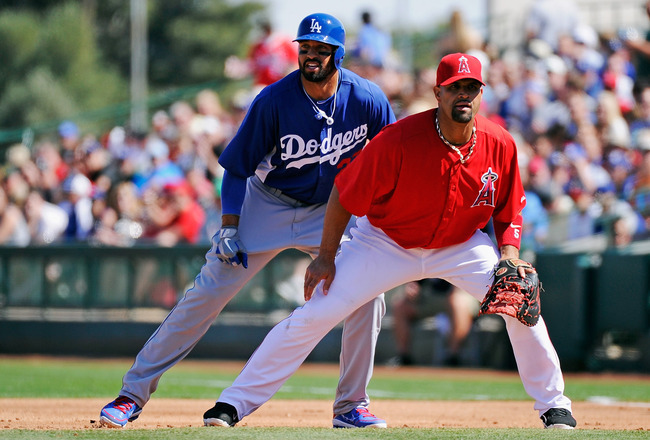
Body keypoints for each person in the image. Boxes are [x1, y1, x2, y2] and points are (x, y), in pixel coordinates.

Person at [207, 53, 577, 430]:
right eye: (455, 88)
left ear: (481, 93)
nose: (463, 95)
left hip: (461, 246)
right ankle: (233, 403)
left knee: (517, 300)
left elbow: (510, 206)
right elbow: (343, 194)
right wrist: (326, 257)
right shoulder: (399, 139)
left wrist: (510, 254)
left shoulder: (499, 143)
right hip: (385, 242)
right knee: (316, 313)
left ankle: (554, 405)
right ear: (438, 92)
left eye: (471, 88)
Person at [98, 13, 395, 429]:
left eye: (321, 49)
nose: (311, 55)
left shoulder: (367, 99)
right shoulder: (274, 100)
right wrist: (230, 226)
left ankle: (351, 406)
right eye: (305, 47)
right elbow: (237, 168)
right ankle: (132, 395)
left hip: (333, 208)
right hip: (267, 203)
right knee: (206, 294)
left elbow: (391, 160)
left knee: (368, 293)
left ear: (338, 54)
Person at [388, 279, 477, 367]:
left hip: (461, 292)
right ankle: (404, 358)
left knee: (457, 302)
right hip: (432, 295)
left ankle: (453, 357)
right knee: (400, 307)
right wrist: (411, 285)